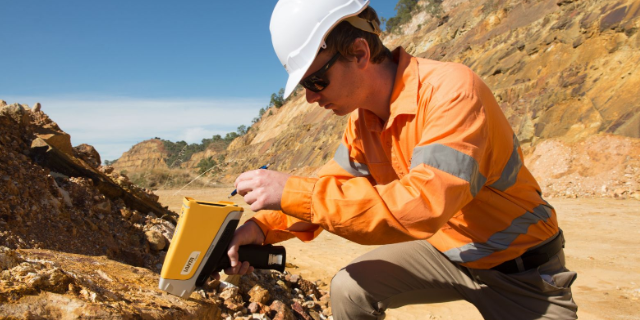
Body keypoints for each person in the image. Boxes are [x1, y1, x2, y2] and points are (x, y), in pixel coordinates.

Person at [222, 0, 579, 319]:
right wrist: (261, 228)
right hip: (448, 253)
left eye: (316, 81)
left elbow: (424, 206)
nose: (311, 99)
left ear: (360, 53)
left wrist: (292, 192)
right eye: (304, 86)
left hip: (522, 272)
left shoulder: (452, 92)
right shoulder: (362, 124)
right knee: (350, 290)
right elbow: (330, 186)